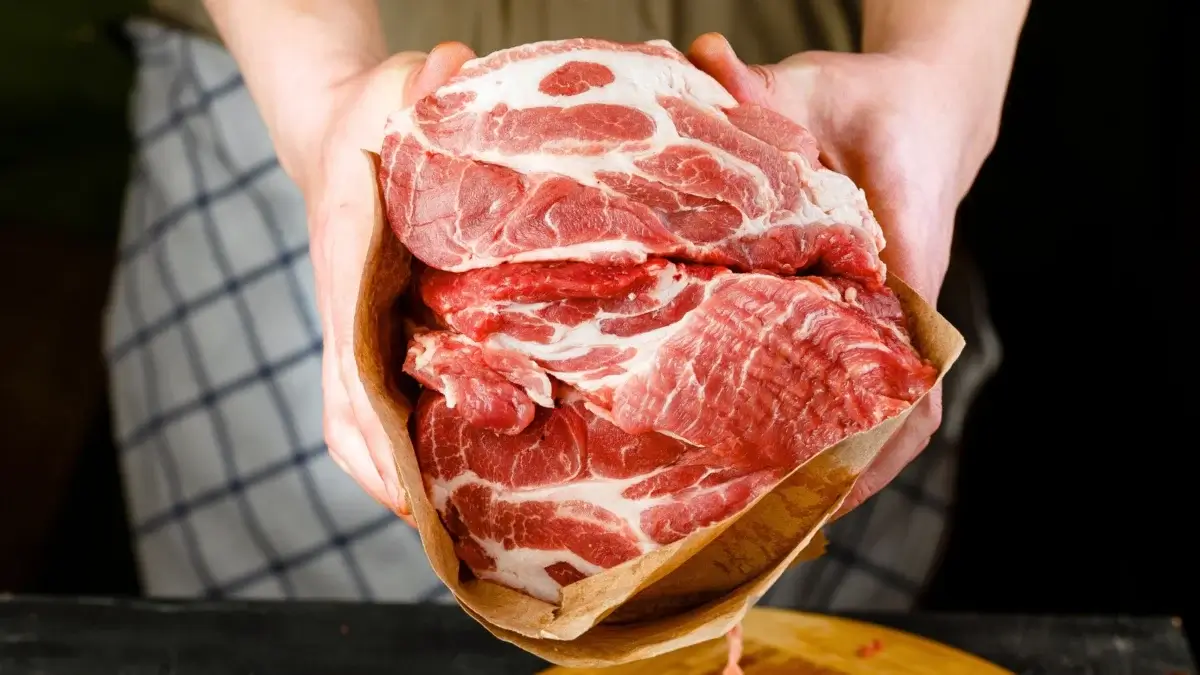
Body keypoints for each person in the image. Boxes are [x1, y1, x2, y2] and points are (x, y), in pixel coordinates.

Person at [105, 0, 1021, 607]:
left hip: (814, 147)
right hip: (317, 111)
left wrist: (947, 75)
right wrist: (317, 101)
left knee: (793, 626)